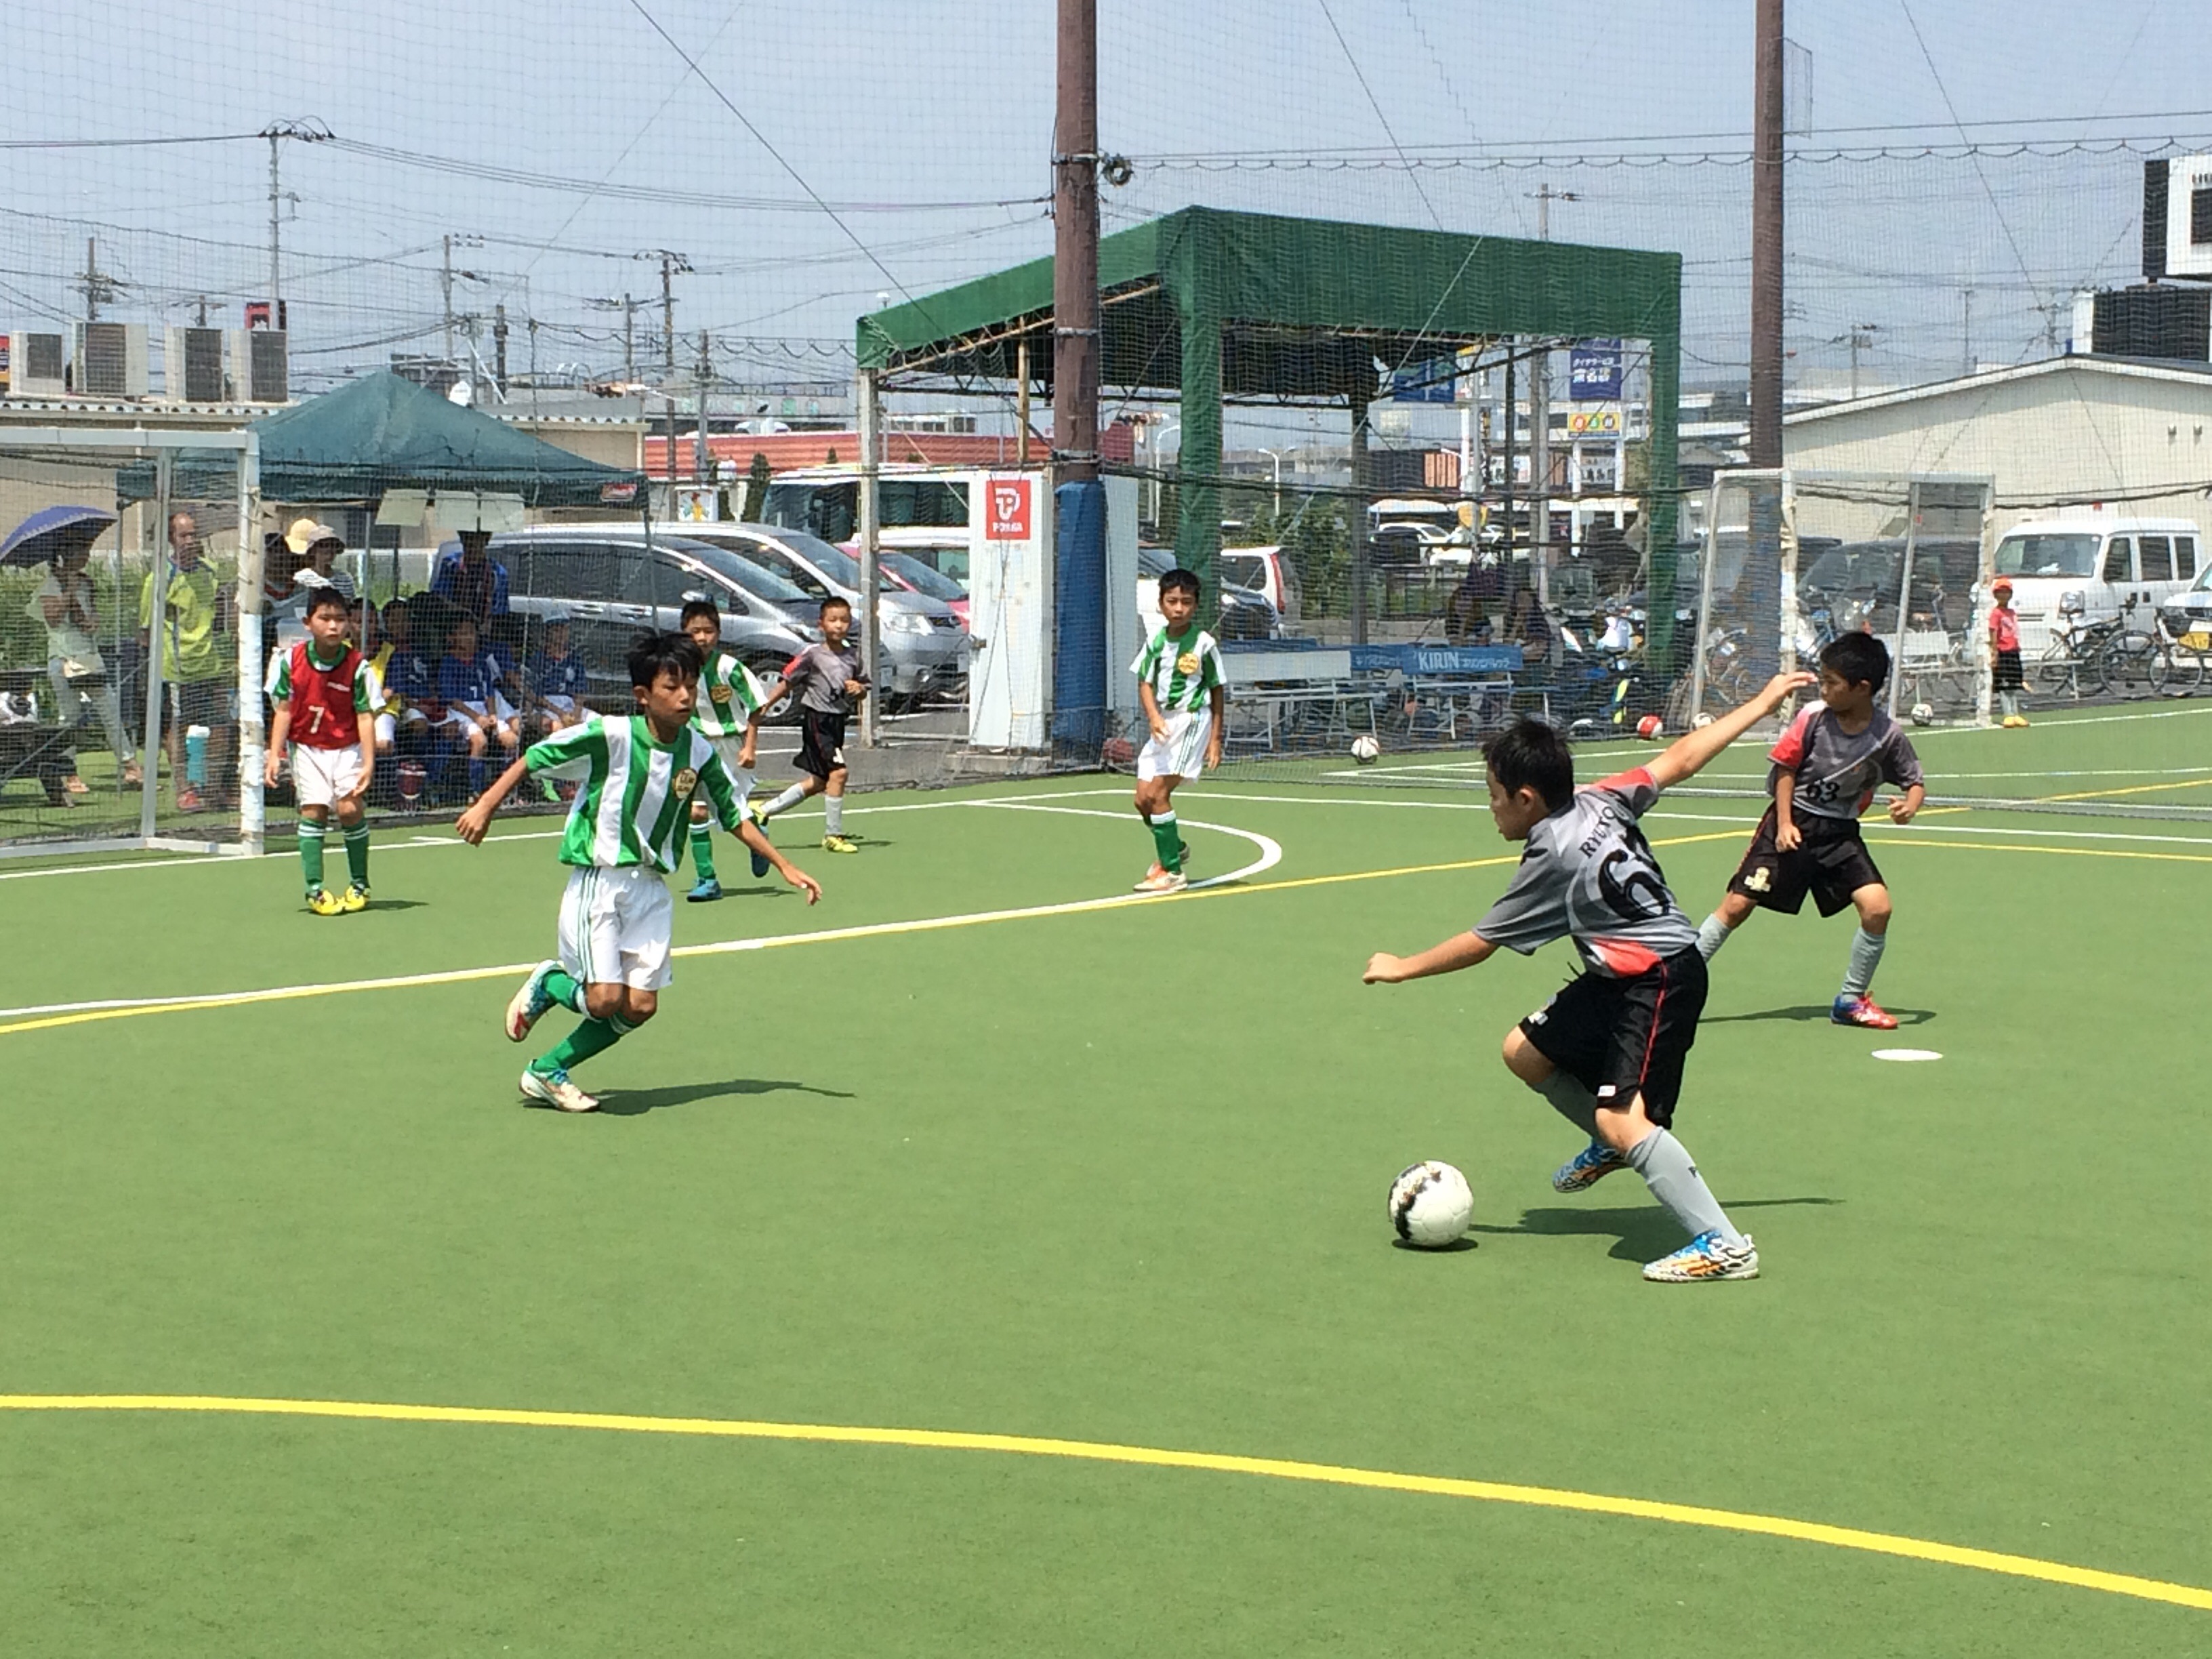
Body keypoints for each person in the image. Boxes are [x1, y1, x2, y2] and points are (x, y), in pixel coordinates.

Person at [1362, 671, 1814, 1283]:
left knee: (1623, 1118)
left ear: (1527, 798)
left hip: (1657, 980)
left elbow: (1481, 943)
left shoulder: (1553, 856)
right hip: (1619, 976)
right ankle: (1612, 1146)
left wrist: (1401, 968)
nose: (1490, 806)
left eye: (1494, 794)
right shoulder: (1600, 796)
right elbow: (1681, 759)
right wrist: (1760, 703)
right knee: (1525, 1052)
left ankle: (1725, 1245)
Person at [460, 630, 821, 1113]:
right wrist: (485, 806)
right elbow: (534, 757)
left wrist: (785, 865)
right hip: (602, 880)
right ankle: (550, 983)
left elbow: (734, 814)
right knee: (604, 1000)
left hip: (652, 888)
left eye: (690, 685)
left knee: (640, 1007)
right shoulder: (612, 735)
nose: (685, 696)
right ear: (643, 695)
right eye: (672, 687)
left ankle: (547, 1070)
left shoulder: (697, 751)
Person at [1692, 633, 1926, 1031]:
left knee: (1878, 908)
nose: (1823, 688)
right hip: (1794, 822)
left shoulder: (1888, 735)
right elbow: (1786, 769)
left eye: (1832, 682)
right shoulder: (1814, 717)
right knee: (1736, 906)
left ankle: (1850, 1001)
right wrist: (1784, 823)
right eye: (1823, 679)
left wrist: (1910, 805)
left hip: (1840, 835)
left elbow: (1914, 781)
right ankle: (1669, 984)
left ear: (1862, 688)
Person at [265, 586, 378, 915]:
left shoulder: (358, 666)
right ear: (307, 623)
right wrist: (275, 754)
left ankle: (360, 884)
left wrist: (369, 762)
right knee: (313, 811)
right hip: (307, 748)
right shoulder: (291, 660)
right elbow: (283, 709)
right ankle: (315, 890)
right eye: (325, 618)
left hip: (348, 747)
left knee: (349, 810)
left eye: (340, 619)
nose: (333, 626)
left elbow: (365, 716)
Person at [1127, 567, 1225, 894]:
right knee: (1142, 800)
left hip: (1192, 721)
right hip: (1164, 724)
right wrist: (1153, 716)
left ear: (1195, 605)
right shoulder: (1156, 641)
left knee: (1158, 795)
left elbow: (1217, 689)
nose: (1179, 608)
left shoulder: (1204, 643)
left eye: (1186, 602)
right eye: (1172, 601)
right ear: (1161, 604)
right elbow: (1144, 682)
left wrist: (1215, 739)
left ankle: (1172, 873)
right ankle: (1175, 847)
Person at [751, 596, 867, 855]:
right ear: (821, 624)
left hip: (837, 722)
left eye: (844, 620)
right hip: (817, 721)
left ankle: (764, 810)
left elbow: (863, 689)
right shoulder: (812, 655)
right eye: (833, 620)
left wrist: (858, 689)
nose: (839, 625)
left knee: (820, 781)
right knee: (839, 773)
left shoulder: (853, 657)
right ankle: (833, 835)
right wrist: (766, 705)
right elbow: (788, 681)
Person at [679, 596, 776, 899]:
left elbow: (757, 705)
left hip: (729, 744)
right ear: (684, 633)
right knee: (696, 812)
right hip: (694, 745)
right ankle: (707, 879)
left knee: (733, 810)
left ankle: (757, 834)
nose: (702, 638)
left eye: (708, 631)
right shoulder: (679, 668)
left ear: (718, 633)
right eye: (695, 631)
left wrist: (750, 746)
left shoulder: (729, 667)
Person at [138, 511, 234, 813]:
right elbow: (146, 630)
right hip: (178, 669)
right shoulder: (159, 579)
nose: (191, 540)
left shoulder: (210, 571)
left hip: (211, 664)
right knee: (180, 728)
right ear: (171, 540)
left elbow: (218, 614)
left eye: (194, 534)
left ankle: (214, 788)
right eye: (184, 535)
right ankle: (185, 790)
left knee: (221, 725)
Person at [31, 538, 140, 792]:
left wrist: (93, 621)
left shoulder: (87, 583)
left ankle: (130, 765)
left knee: (109, 709)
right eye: (81, 551)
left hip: (89, 657)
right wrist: (68, 591)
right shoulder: (50, 585)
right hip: (63, 658)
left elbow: (91, 613)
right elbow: (54, 618)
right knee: (70, 716)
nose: (86, 556)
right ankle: (69, 772)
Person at [436, 615, 522, 802]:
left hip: (484, 709)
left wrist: (492, 715)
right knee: (480, 741)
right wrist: (477, 718)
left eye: (472, 633)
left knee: (511, 741)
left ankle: (507, 791)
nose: (469, 638)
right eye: (464, 633)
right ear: (453, 637)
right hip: (462, 712)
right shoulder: (448, 663)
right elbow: (452, 700)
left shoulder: (481, 662)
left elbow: (489, 693)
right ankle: (476, 793)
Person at [429, 529, 511, 630]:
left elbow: (501, 611)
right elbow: (439, 599)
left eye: (477, 545)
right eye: (468, 544)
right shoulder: (451, 565)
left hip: (483, 631)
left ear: (486, 542)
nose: (472, 550)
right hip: (453, 629)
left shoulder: (498, 572)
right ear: (462, 541)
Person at [525, 610, 589, 740]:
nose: (561, 634)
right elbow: (533, 694)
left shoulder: (574, 658)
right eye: (556, 630)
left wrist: (576, 714)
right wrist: (560, 713)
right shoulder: (538, 659)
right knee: (559, 729)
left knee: (598, 725)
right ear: (547, 632)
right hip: (547, 706)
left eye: (564, 629)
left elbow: (580, 691)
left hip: (571, 705)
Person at [284, 519, 356, 605]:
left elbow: (349, 606)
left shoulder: (345, 579)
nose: (329, 549)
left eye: (333, 546)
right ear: (313, 550)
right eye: (324, 545)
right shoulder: (301, 578)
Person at [1989, 576, 2026, 728]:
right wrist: (1994, 652)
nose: (2004, 595)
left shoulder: (2011, 612)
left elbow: (2014, 631)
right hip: (2002, 651)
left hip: (2013, 651)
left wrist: (2017, 645)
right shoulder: (1996, 613)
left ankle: (2016, 713)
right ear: (1995, 595)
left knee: (2013, 683)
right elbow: (1993, 631)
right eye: (2000, 592)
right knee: (2004, 685)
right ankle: (2008, 714)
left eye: (2006, 592)